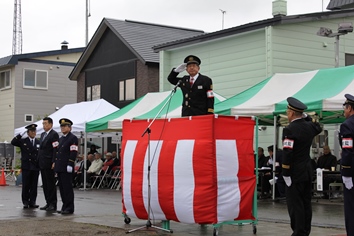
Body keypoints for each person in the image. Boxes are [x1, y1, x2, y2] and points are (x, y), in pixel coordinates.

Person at [282, 97, 322, 236]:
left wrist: (285, 172)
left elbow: (287, 152)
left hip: (294, 172)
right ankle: (305, 231)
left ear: (292, 113)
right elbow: (318, 127)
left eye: (288, 111)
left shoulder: (289, 129)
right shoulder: (310, 127)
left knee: (295, 205)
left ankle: (298, 232)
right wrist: (307, 118)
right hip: (306, 170)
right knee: (306, 204)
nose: (287, 113)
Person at [11, 124, 40, 209]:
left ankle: (32, 201)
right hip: (27, 166)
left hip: (35, 166)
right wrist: (20, 135)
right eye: (31, 131)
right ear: (28, 133)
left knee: (34, 185)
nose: (33, 132)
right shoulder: (23, 141)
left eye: (34, 131)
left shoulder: (38, 142)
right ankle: (25, 201)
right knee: (26, 185)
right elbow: (13, 142)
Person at [54, 118, 78, 214]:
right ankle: (64, 206)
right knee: (62, 188)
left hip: (66, 166)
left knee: (67, 188)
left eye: (65, 126)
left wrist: (70, 163)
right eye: (62, 126)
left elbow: (73, 152)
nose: (63, 128)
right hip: (60, 166)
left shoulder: (72, 138)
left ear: (70, 127)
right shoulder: (61, 139)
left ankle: (69, 207)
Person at [339, 94, 354, 236]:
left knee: (351, 208)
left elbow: (347, 151)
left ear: (349, 108)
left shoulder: (347, 125)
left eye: (345, 107)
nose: (344, 111)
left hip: (352, 172)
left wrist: (347, 172)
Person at [38, 117, 59, 212]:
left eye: (45, 123)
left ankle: (53, 203)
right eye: (43, 124)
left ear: (50, 124)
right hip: (42, 162)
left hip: (49, 162)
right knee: (45, 184)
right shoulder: (42, 135)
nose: (44, 125)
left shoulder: (54, 134)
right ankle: (48, 202)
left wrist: (54, 161)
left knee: (50, 184)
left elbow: (55, 149)